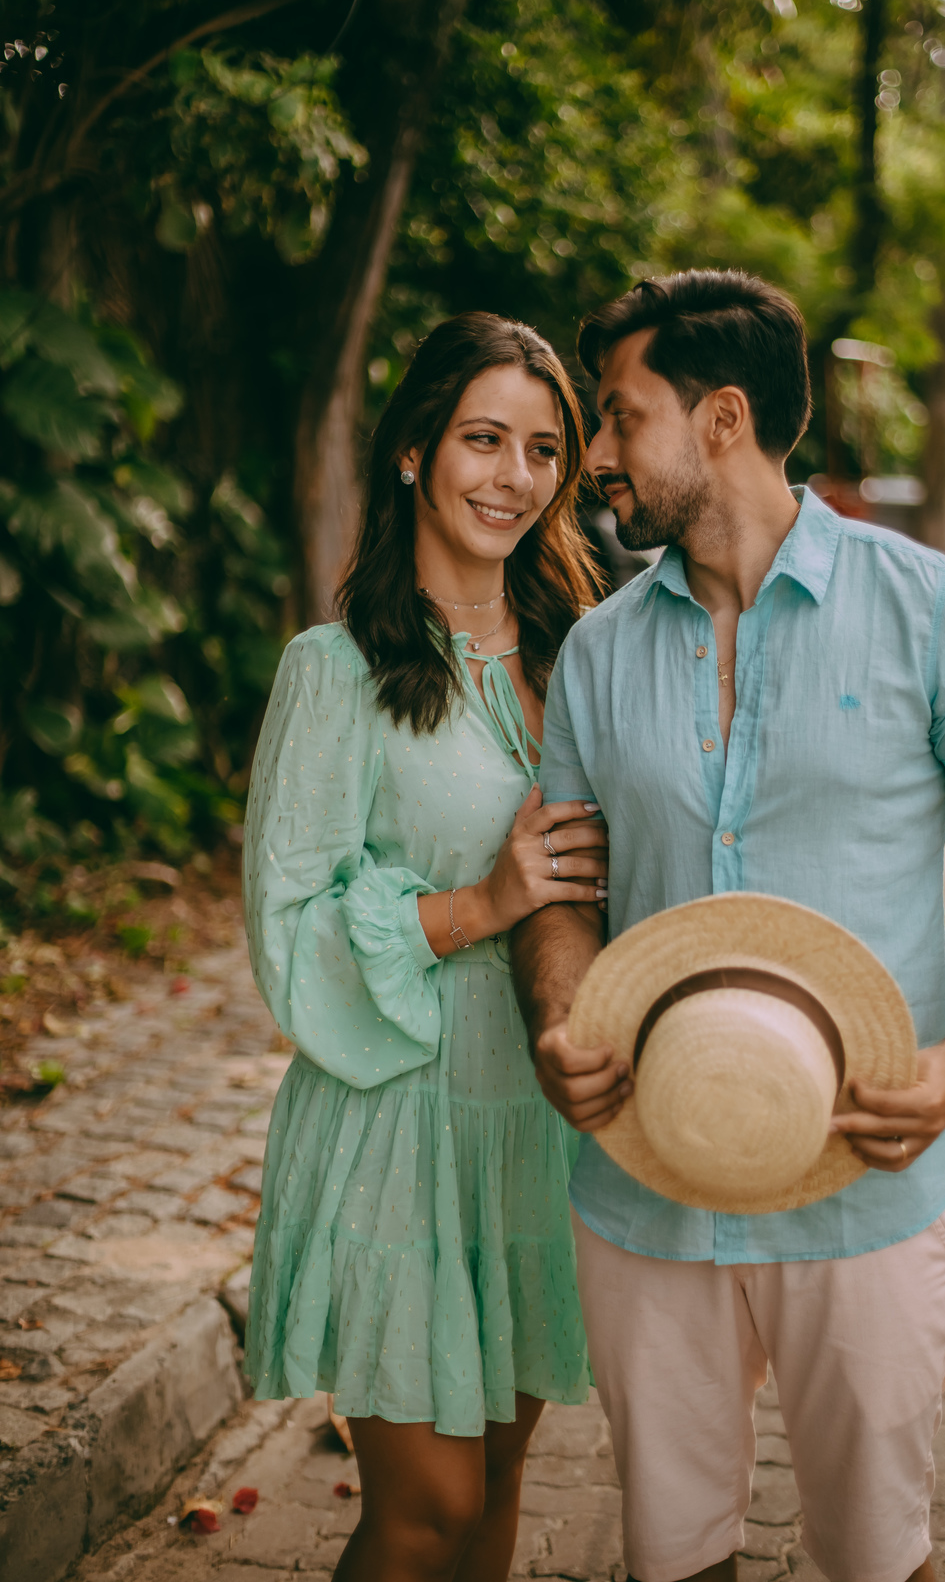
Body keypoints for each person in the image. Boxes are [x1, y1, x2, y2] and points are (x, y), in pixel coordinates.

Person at [511, 270, 945, 1582]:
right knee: (672, 1560)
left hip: (870, 1183)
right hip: (647, 1184)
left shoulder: (935, 610)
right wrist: (559, 1015)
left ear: (722, 418)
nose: (595, 456)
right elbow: (565, 893)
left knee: (878, 1558)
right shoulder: (596, 652)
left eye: (619, 416)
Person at [241, 312, 609, 1582]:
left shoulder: (584, 660)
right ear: (413, 452)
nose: (515, 477)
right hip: (399, 1128)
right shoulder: (334, 672)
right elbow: (288, 932)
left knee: (497, 1487)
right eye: (483, 440)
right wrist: (481, 904)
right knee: (425, 1513)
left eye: (544, 450)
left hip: (535, 1131)